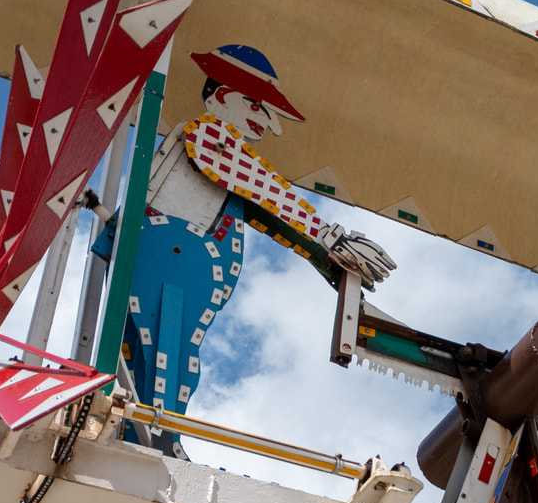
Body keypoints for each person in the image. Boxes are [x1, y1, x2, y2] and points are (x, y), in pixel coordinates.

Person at [105, 44, 394, 450]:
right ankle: (157, 438)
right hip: (172, 258)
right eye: (259, 108)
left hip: (177, 257)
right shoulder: (209, 136)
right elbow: (265, 190)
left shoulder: (219, 157)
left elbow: (266, 210)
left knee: (157, 354)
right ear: (223, 97)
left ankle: (145, 432)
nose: (270, 125)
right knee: (167, 355)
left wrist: (327, 258)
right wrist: (332, 238)